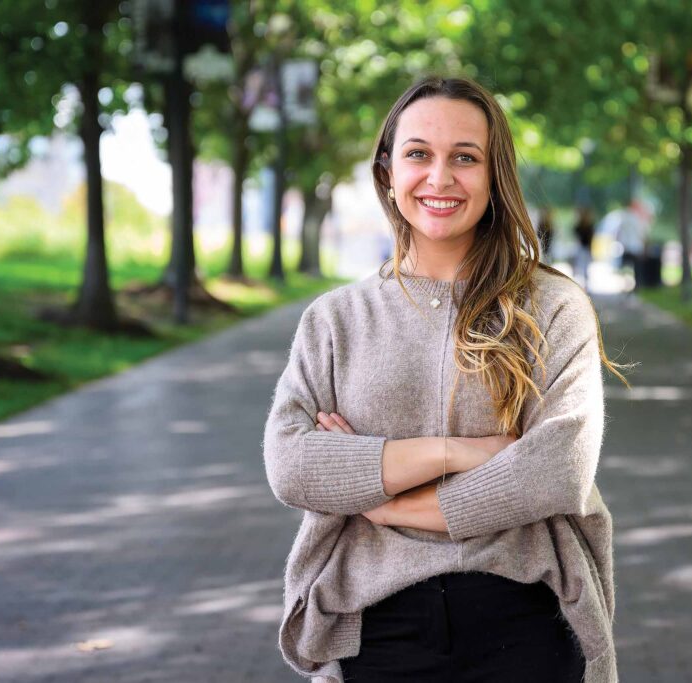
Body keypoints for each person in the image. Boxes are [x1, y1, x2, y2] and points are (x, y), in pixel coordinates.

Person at [263, 75, 627, 683]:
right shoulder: (335, 320)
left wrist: (382, 500)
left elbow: (557, 468)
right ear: (386, 173)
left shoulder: (554, 307)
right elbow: (291, 464)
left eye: (465, 157)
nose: (440, 178)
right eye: (417, 155)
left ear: (494, 175)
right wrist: (457, 452)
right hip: (376, 629)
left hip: (527, 623)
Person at [572, 206, 595, 291]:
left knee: (583, 268)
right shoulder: (582, 226)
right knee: (581, 268)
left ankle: (584, 286)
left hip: (584, 248)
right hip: (582, 248)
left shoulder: (588, 226)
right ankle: (582, 285)